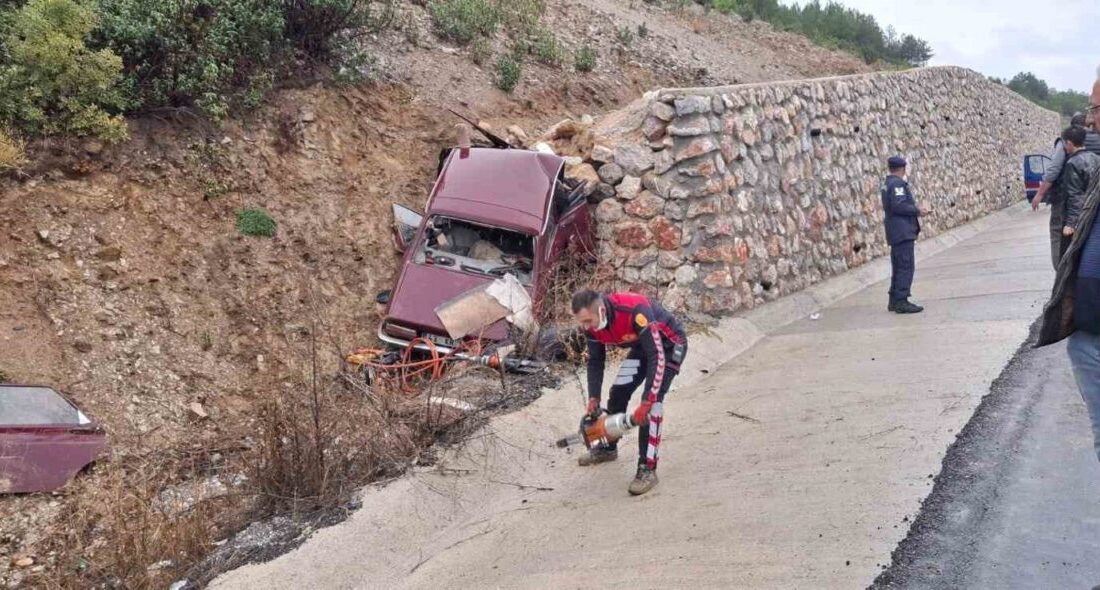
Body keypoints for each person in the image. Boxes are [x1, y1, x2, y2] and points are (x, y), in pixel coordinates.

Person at [571, 289, 687, 496]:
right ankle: (608, 448)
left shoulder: (634, 310)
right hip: (643, 347)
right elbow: (596, 361)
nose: (586, 327)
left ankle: (647, 468)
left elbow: (657, 356)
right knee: (618, 393)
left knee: (653, 404)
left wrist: (648, 400)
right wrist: (593, 398)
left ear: (601, 310)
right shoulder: (590, 327)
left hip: (668, 347)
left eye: (588, 320)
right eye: (582, 322)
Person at [1037, 125, 1100, 465]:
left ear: (1067, 144)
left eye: (1096, 109)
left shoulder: (1077, 163)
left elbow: (1074, 199)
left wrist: (1070, 225)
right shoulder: (1095, 161)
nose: (1093, 120)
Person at [1033, 114, 1089, 267]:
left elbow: (1054, 169)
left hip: (1064, 201)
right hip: (1090, 200)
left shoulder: (1065, 145)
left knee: (1058, 235)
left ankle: (1061, 273)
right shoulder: (1093, 141)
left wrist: (1039, 194)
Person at [881, 155, 928, 314]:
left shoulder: (887, 184)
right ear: (902, 168)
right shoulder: (897, 184)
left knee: (898, 265)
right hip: (902, 231)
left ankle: (894, 299)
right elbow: (899, 205)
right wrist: (917, 210)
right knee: (905, 266)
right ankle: (901, 300)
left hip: (895, 231)